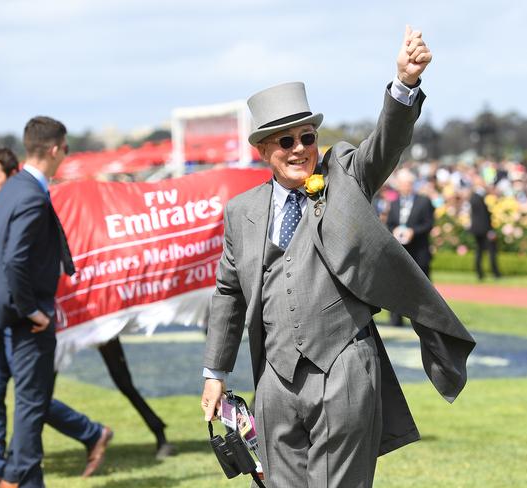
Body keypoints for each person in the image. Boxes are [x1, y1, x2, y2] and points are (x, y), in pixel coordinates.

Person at [201, 26, 475, 488]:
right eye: (286, 142)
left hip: (345, 365)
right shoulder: (241, 212)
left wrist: (405, 85)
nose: (300, 149)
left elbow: (385, 144)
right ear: (265, 150)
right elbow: (228, 294)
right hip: (274, 378)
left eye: (307, 137)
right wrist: (215, 373)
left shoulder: (345, 173)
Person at [0, 148, 112, 488]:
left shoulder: (26, 202)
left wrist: (28, 309)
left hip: (20, 314)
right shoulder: (6, 205)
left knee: (30, 397)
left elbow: (18, 262)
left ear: (11, 175)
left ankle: (89, 432)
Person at [386, 168, 435, 326]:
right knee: (397, 285)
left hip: (419, 251)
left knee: (422, 287)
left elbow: (429, 224)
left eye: (407, 183)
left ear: (412, 184)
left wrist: (413, 232)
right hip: (400, 253)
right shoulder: (394, 203)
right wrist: (394, 230)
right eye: (402, 183)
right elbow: (390, 224)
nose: (405, 186)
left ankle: (424, 320)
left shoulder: (423, 201)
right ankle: (396, 319)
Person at [469, 175, 501, 280]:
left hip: (477, 229)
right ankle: (495, 273)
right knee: (491, 251)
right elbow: (483, 216)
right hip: (484, 229)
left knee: (479, 251)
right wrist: (489, 230)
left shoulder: (474, 196)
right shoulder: (480, 197)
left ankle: (480, 273)